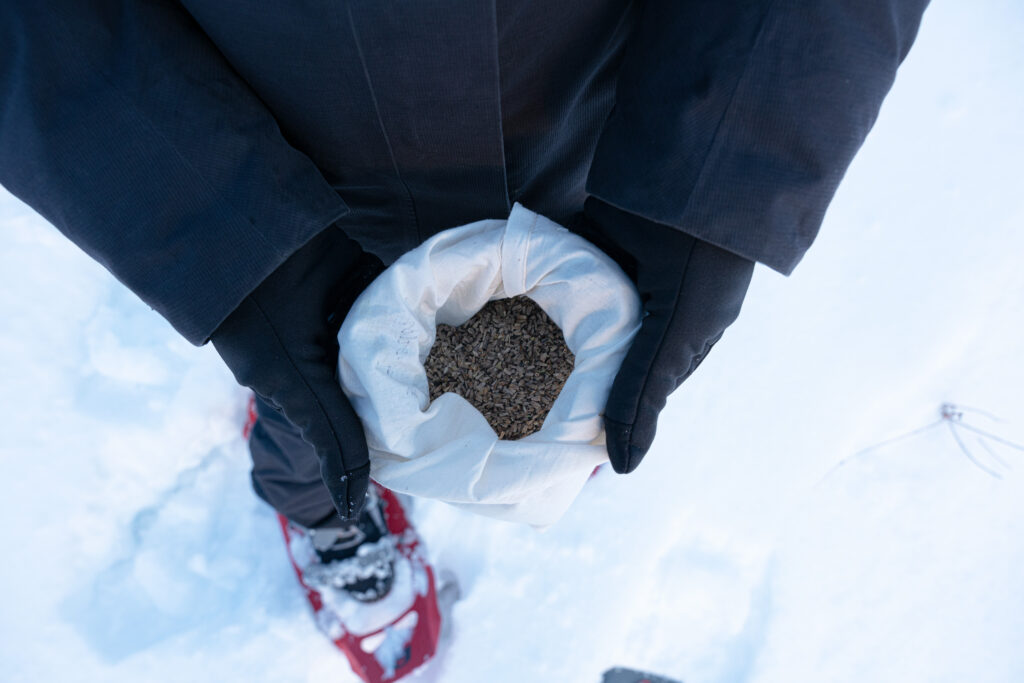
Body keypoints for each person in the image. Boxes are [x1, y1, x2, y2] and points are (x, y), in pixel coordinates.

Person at [1, 0, 929, 624]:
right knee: (318, 402)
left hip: (588, 109)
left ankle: (522, 466)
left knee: (601, 383)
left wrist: (719, 162)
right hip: (265, 154)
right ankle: (318, 506)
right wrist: (221, 236)